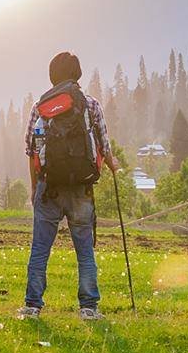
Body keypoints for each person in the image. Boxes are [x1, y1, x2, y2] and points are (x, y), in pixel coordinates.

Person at [17, 52, 117, 321]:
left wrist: (34, 186)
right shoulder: (91, 104)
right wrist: (113, 165)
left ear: (52, 75)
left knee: (40, 249)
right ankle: (88, 308)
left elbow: (31, 150)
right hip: (81, 188)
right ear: (78, 74)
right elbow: (104, 146)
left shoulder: (41, 106)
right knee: (85, 250)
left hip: (49, 187)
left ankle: (32, 307)